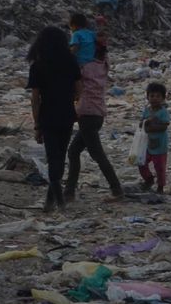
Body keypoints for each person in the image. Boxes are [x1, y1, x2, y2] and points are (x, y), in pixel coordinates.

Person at [25, 24, 81, 211]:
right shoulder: (71, 61)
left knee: (52, 158)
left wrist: (37, 125)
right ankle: (52, 203)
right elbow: (78, 91)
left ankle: (57, 202)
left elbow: (35, 99)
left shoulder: (38, 66)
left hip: (47, 116)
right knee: (61, 156)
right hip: (66, 114)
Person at [65, 37, 124, 203]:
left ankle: (117, 189)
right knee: (74, 151)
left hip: (87, 115)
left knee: (97, 154)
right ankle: (69, 191)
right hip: (97, 115)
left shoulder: (87, 68)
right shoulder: (103, 65)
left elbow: (71, 69)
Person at [138, 81, 171, 194]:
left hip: (160, 147)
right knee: (141, 163)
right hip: (147, 145)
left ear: (163, 98)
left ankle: (160, 187)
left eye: (158, 96)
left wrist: (150, 127)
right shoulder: (147, 110)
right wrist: (144, 123)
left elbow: (164, 127)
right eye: (152, 96)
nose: (154, 98)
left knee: (160, 168)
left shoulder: (163, 112)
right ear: (147, 97)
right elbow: (141, 122)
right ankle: (149, 179)